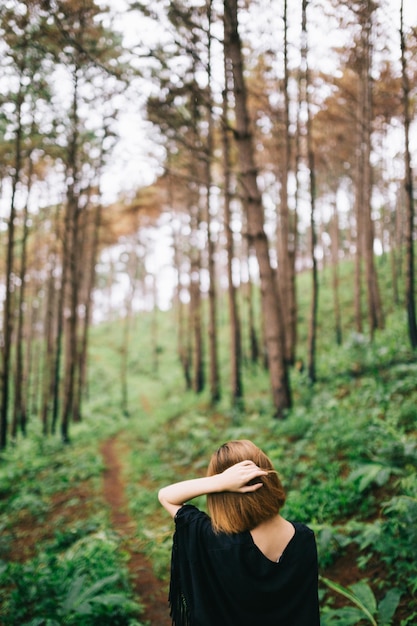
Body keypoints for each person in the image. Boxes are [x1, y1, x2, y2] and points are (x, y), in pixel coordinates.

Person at [158, 439, 320, 626]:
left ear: (222, 495)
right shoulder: (304, 538)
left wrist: (219, 481)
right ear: (267, 475)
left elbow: (166, 496)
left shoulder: (213, 540)